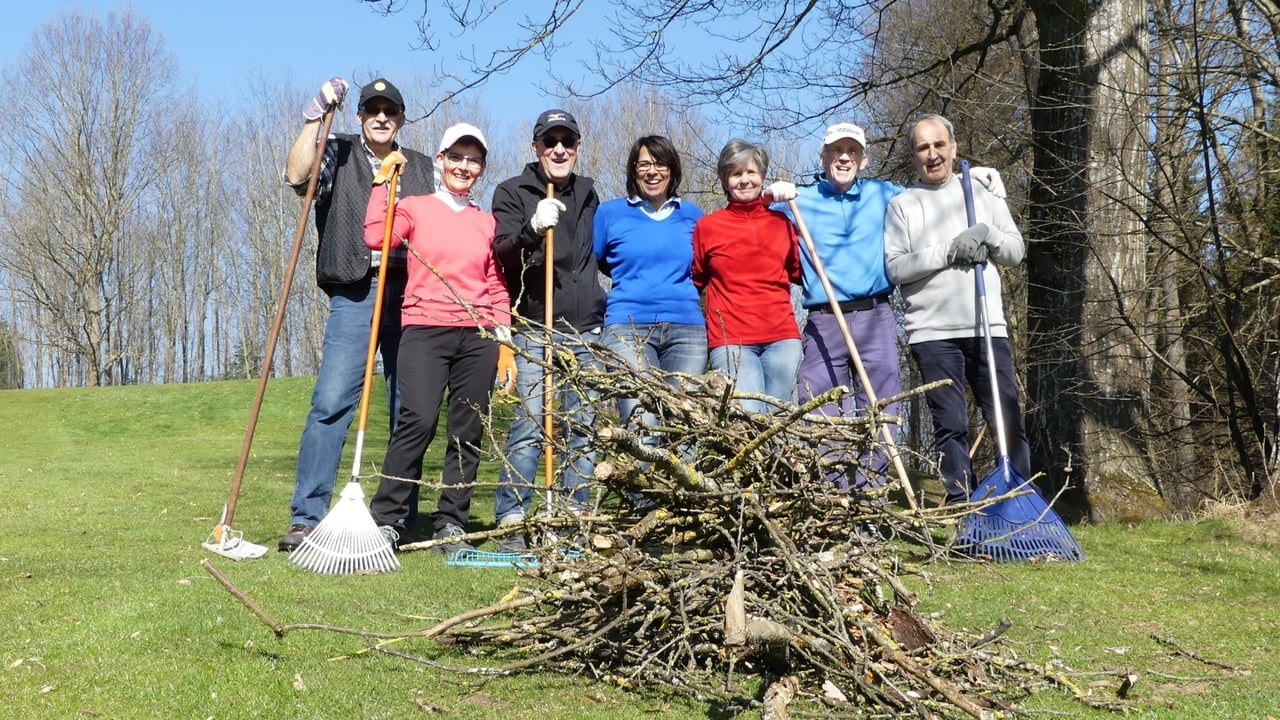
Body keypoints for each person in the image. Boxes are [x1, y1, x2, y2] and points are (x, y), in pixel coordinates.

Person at [765, 123, 1007, 492]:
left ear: (863, 160)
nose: (843, 158)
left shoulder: (886, 195)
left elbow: (933, 191)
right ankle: (835, 497)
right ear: (823, 158)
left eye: (852, 152)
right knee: (820, 409)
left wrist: (969, 176)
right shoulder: (801, 200)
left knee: (881, 410)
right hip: (824, 318)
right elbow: (751, 209)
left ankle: (873, 499)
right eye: (836, 151)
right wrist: (770, 194)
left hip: (876, 316)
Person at [278, 77, 434, 552]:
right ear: (359, 116)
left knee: (411, 406)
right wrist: (313, 117)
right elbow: (296, 176)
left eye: (391, 110)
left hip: (410, 292)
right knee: (330, 402)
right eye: (372, 110)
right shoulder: (337, 151)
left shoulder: (424, 169)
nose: (382, 117)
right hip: (355, 290)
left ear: (403, 118)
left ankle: (396, 515)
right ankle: (307, 516)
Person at [363, 123, 515, 554]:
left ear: (481, 168)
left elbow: (494, 282)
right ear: (441, 160)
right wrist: (381, 185)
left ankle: (451, 523)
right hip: (425, 329)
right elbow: (376, 235)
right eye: (457, 157)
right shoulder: (415, 206)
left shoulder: (487, 222)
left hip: (477, 335)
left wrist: (504, 339)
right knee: (418, 421)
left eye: (473, 160)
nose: (464, 166)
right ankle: (386, 520)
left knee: (467, 430)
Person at [883, 113, 1030, 505]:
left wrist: (988, 235)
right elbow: (896, 267)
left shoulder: (982, 194)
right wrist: (948, 251)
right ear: (913, 156)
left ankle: (1016, 499)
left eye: (939, 145)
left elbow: (1016, 252)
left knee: (1006, 418)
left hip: (986, 325)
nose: (932, 155)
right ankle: (960, 503)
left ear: (954, 146)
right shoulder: (903, 205)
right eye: (922, 148)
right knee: (951, 426)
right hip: (932, 332)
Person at [490, 109, 605, 552]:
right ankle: (512, 516)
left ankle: (575, 514)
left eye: (568, 141)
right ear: (535, 146)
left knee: (583, 423)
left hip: (587, 329)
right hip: (536, 325)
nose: (559, 149)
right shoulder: (512, 191)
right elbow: (501, 252)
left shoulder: (590, 194)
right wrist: (533, 229)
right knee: (531, 421)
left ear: (577, 147)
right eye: (550, 141)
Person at [593, 136, 706, 432]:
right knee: (642, 425)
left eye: (660, 164)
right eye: (644, 164)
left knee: (685, 428)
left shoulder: (693, 216)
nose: (652, 171)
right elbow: (596, 261)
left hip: (687, 329)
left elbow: (703, 267)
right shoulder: (609, 214)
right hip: (627, 327)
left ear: (673, 170)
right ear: (633, 170)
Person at [692, 140, 803, 414]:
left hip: (782, 338)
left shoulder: (782, 224)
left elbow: (801, 272)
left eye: (751, 173)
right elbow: (695, 279)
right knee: (749, 420)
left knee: (778, 422)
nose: (745, 180)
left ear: (762, 176)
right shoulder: (708, 227)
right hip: (732, 341)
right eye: (736, 174)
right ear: (724, 180)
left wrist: (804, 218)